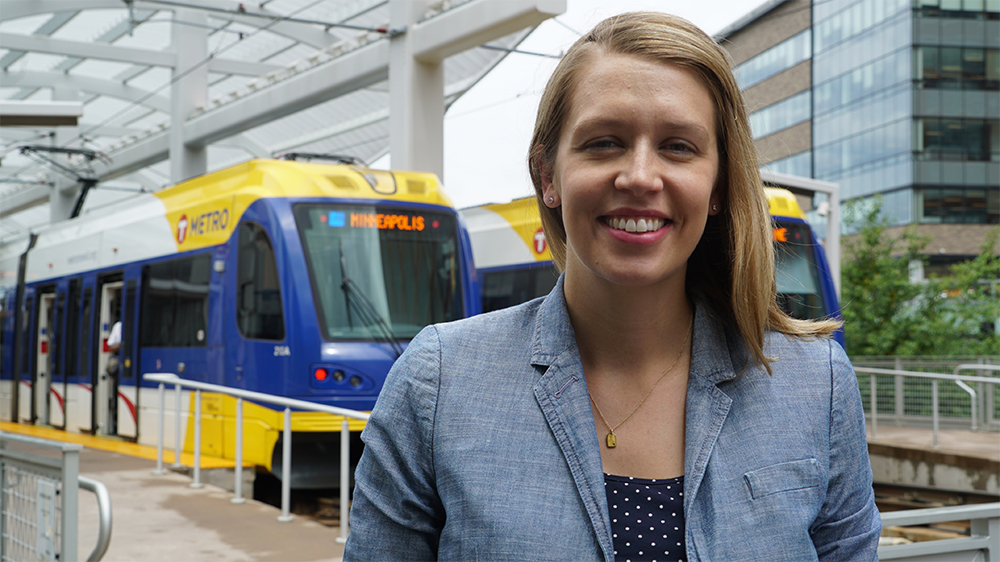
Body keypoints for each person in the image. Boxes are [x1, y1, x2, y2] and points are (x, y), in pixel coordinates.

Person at [344, 12, 880, 561]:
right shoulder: (438, 385)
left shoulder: (815, 385)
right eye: (604, 142)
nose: (640, 177)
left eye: (678, 146)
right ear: (547, 175)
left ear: (718, 184)